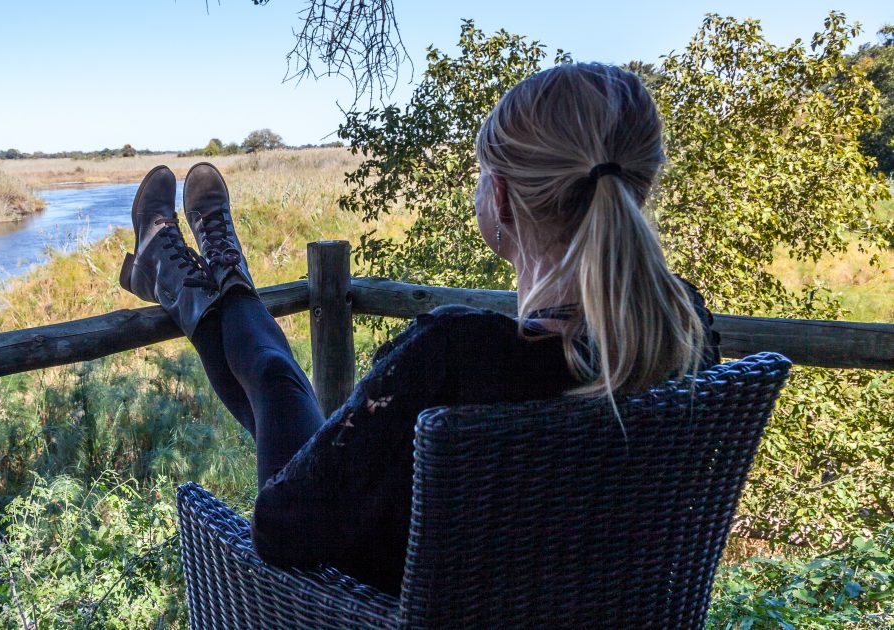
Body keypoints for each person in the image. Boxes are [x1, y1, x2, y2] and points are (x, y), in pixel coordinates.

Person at [117, 63, 723, 593]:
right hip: (601, 608)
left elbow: (280, 529)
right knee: (283, 391)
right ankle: (199, 278)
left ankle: (198, 282)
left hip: (375, 608)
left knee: (276, 383)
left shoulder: (458, 355)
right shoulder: (686, 333)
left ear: (503, 201)